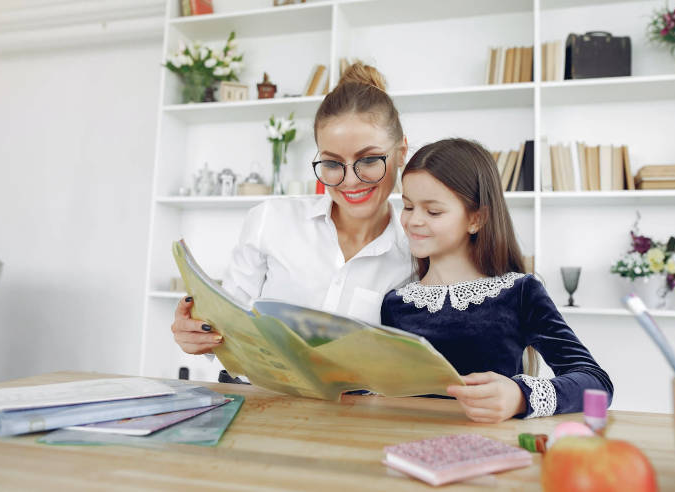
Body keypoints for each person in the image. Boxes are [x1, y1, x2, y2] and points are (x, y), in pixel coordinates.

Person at [172, 62, 412, 355]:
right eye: (332, 163)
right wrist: (198, 337)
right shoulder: (271, 220)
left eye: (369, 160)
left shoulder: (416, 251)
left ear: (401, 153)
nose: (350, 181)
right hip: (263, 397)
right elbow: (227, 326)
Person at [380, 138, 613, 423]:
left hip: (494, 451)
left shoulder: (520, 292)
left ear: (476, 219)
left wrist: (519, 396)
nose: (413, 221)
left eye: (433, 211)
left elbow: (596, 382)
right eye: (407, 206)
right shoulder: (394, 304)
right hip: (406, 451)